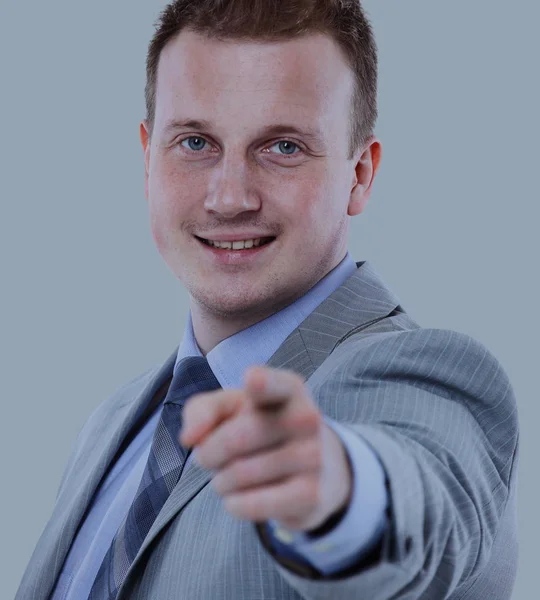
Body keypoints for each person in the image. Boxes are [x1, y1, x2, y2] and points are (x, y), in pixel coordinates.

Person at [16, 1, 519, 599]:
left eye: (282, 147)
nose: (229, 197)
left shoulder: (421, 376)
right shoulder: (111, 424)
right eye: (196, 141)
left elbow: (421, 506)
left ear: (360, 174)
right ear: (148, 158)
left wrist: (340, 496)